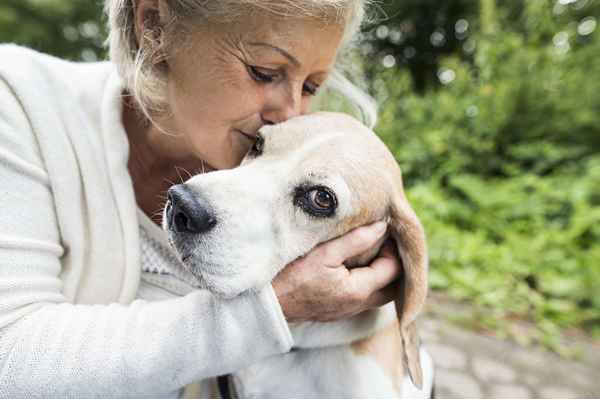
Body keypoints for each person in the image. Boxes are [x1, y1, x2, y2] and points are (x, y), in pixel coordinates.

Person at [0, 1, 408, 397]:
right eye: (264, 72)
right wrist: (269, 313)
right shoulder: (19, 100)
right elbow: (9, 360)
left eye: (311, 86)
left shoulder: (278, 195)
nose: (290, 114)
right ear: (155, 27)